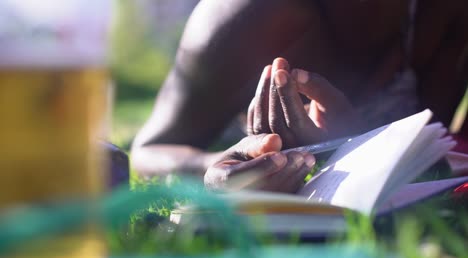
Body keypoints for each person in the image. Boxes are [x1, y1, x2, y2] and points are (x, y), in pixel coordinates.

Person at [132, 0, 468, 192]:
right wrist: (222, 164)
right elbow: (149, 150)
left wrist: (354, 147)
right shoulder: (247, 18)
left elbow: (437, 152)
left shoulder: (444, 15)